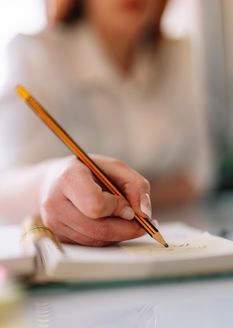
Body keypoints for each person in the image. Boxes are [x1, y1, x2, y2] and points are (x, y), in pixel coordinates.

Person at [0, 0, 212, 245]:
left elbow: (198, 174)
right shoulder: (35, 53)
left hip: (174, 235)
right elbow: (6, 185)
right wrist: (48, 182)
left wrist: (116, 198)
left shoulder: (179, 54)